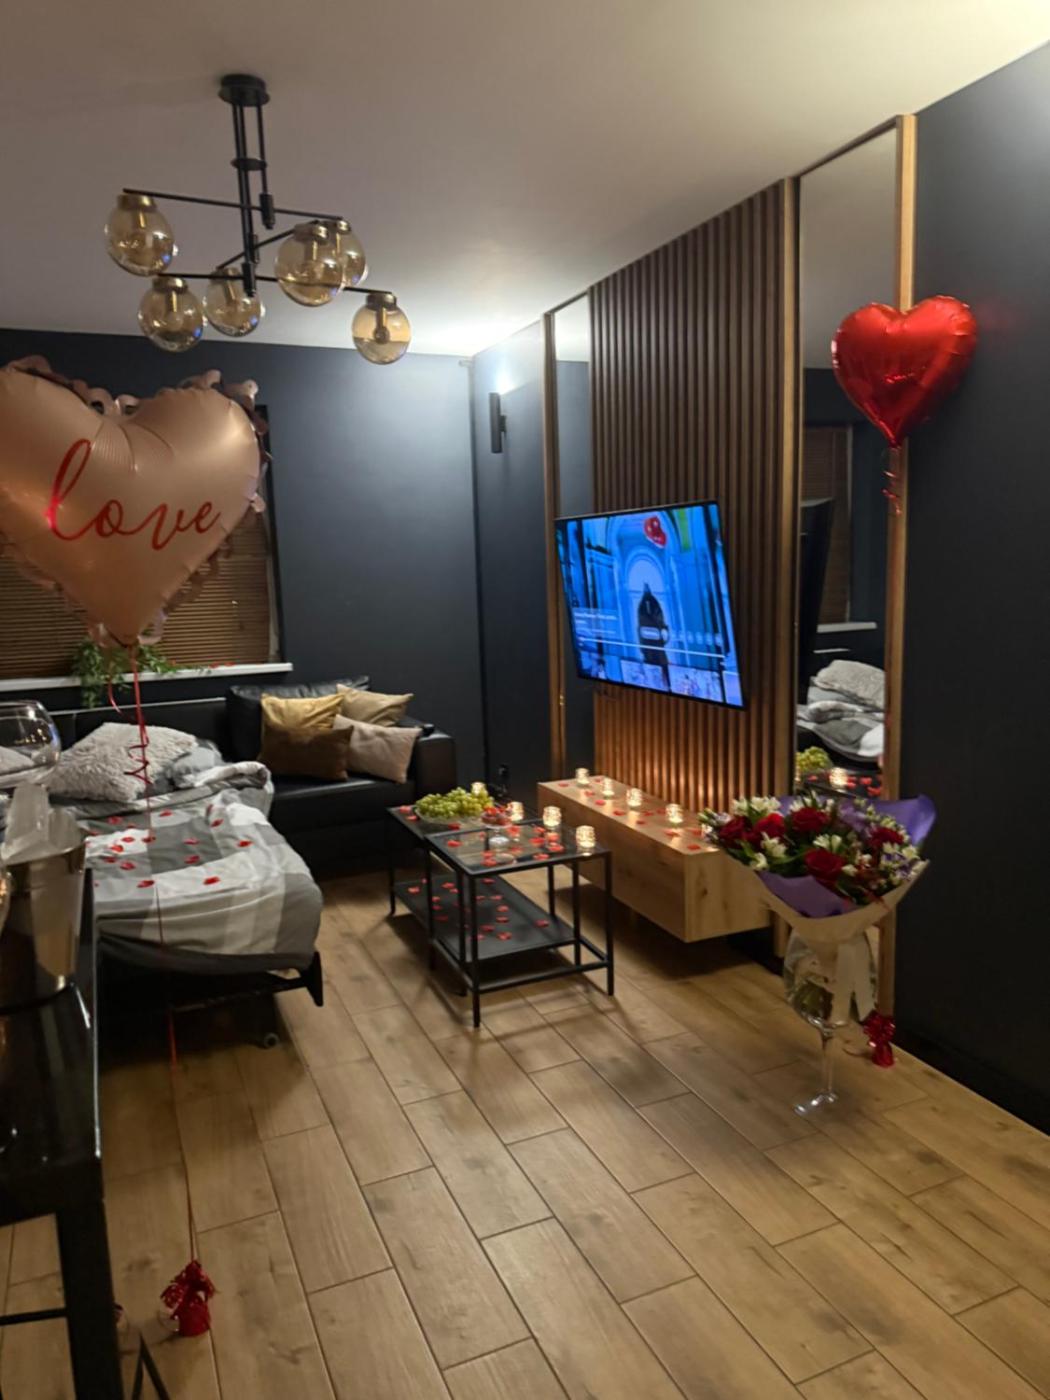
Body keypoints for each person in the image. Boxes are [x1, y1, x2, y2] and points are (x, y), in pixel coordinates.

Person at [636, 584, 670, 688]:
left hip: (655, 646)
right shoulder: (642, 606)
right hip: (649, 647)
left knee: (662, 667)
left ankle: (667, 686)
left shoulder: (651, 604)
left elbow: (660, 618)